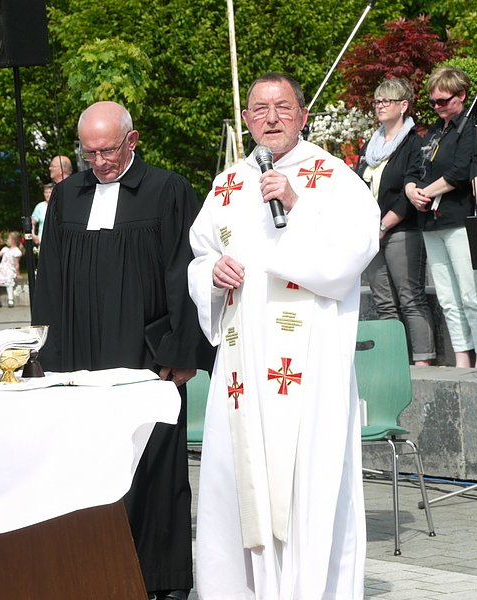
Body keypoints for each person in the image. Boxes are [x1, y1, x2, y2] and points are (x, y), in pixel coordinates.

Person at [188, 73, 378, 598]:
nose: (271, 118)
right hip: (243, 363)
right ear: (246, 119)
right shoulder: (227, 184)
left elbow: (357, 249)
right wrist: (211, 274)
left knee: (305, 481)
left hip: (308, 361)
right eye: (260, 109)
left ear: (303, 115)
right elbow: (200, 255)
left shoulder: (333, 177)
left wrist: (298, 204)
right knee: (238, 476)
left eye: (283, 107)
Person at [31, 101, 212, 600]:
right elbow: (50, 279)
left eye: (107, 151)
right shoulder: (67, 195)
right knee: (87, 467)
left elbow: (185, 273)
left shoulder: (168, 190)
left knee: (153, 465)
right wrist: (46, 353)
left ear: (131, 141)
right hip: (80, 359)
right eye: (88, 153)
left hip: (146, 355)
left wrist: (182, 351)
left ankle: (160, 581)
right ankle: (91, 575)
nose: (99, 162)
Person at [405, 67, 477, 368]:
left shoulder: (469, 127)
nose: (438, 107)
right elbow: (414, 169)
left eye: (443, 101)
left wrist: (426, 192)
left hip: (457, 217)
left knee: (470, 293)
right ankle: (461, 354)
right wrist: (412, 191)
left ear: (461, 96)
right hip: (430, 220)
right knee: (447, 296)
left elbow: (459, 171)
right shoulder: (434, 131)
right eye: (433, 102)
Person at [357, 78, 436, 366]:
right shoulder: (371, 145)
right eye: (377, 101)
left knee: (410, 297)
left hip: (401, 229)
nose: (380, 106)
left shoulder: (414, 143)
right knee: (384, 301)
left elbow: (407, 191)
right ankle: (395, 361)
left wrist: (384, 225)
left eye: (386, 101)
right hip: (371, 233)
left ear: (403, 105)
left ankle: (423, 359)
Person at [0, 231, 23, 308]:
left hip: (9, 270)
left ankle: (10, 299)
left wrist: (18, 274)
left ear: (13, 241)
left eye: (8, 239)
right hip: (1, 269)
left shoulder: (16, 251)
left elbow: (16, 264)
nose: (7, 240)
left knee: (9, 282)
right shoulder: (5, 249)